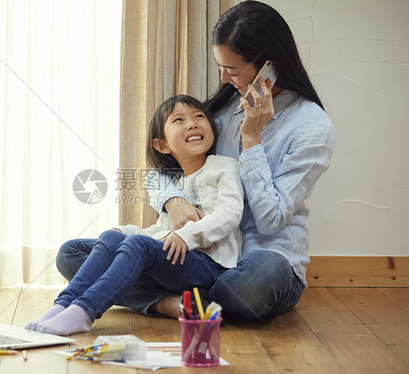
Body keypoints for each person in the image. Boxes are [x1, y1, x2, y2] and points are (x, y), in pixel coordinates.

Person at [55, 0, 335, 320]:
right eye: (220, 67)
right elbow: (160, 171)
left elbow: (271, 219)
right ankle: (173, 301)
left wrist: (252, 139)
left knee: (258, 276)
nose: (224, 79)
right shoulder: (219, 112)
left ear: (268, 66)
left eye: (232, 70)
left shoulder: (313, 127)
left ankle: (169, 295)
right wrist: (173, 201)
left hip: (258, 262)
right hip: (199, 254)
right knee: (71, 255)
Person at [25, 95, 243, 335]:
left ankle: (84, 311)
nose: (192, 123)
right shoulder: (173, 184)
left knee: (137, 245)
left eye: (199, 116)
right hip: (174, 262)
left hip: (211, 265)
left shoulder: (224, 165)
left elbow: (230, 213)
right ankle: (62, 305)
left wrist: (185, 236)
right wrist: (124, 232)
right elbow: (160, 231)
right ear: (162, 145)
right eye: (179, 120)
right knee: (106, 239)